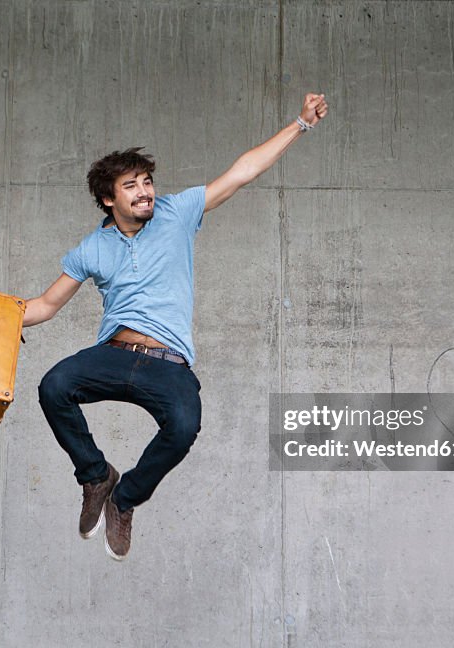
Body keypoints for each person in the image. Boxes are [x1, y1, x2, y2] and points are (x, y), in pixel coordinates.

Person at [23, 93, 329, 560]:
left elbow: (243, 171)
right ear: (109, 199)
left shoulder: (177, 212)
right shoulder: (91, 248)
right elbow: (44, 305)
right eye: (131, 186)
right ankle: (95, 475)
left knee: (184, 426)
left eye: (147, 182)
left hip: (168, 363)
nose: (145, 191)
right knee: (54, 385)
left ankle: (124, 501)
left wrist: (300, 124)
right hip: (115, 353)